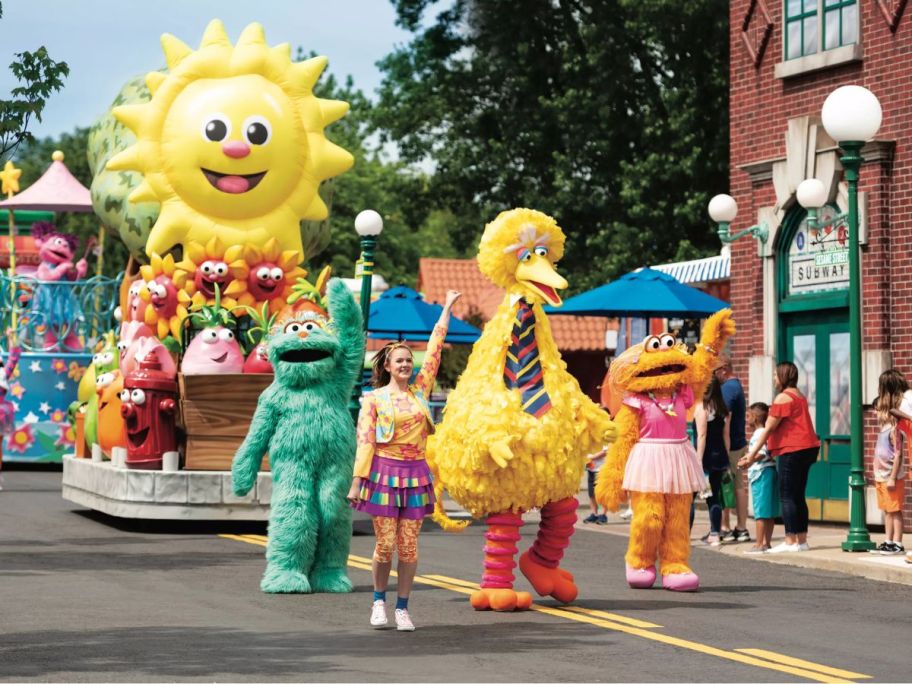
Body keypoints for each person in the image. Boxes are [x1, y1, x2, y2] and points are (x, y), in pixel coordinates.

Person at [347, 290, 460, 631]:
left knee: (408, 546)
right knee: (385, 545)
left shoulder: (421, 392)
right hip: (383, 472)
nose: (406, 365)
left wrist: (446, 310)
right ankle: (379, 603)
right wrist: (356, 482)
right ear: (386, 366)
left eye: (409, 360)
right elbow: (365, 442)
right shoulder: (374, 399)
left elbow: (436, 351)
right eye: (399, 361)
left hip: (415, 475)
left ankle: (403, 608)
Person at [738, 362, 820, 553]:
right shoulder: (799, 396)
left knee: (787, 496)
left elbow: (768, 429)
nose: (774, 378)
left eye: (776, 375)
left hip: (792, 450)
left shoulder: (783, 398)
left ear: (783, 376)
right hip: (807, 448)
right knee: (798, 496)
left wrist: (750, 456)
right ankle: (802, 540)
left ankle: (790, 540)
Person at [871, 370, 910, 555]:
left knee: (895, 510)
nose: (876, 413)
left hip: (891, 477)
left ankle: (897, 542)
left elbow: (898, 455)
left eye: (878, 410)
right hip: (882, 477)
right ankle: (888, 540)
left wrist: (893, 476)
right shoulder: (884, 428)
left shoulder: (895, 429)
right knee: (887, 510)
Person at [716, 356, 750, 542]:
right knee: (736, 486)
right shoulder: (736, 386)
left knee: (730, 486)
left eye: (715, 371)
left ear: (723, 369)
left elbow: (725, 422)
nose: (714, 376)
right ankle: (739, 527)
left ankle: (727, 527)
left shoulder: (728, 388)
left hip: (731, 446)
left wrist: (724, 448)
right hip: (738, 444)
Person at [695, 376, 730, 547]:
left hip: (705, 458)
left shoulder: (702, 408)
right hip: (720, 457)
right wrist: (727, 459)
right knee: (714, 496)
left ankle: (683, 535)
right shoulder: (723, 410)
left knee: (689, 498)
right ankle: (715, 533)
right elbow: (726, 437)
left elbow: (701, 436)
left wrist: (698, 460)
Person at [744, 402, 777, 553]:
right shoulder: (764, 432)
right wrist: (747, 458)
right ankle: (766, 543)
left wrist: (749, 460)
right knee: (768, 511)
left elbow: (761, 453)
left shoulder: (759, 433)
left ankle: (758, 544)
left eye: (749, 415)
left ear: (756, 417)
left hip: (761, 474)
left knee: (760, 512)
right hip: (767, 472)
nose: (747, 419)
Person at [0, 329, 21, 492]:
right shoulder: (3, 373)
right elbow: (13, 357)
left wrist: (11, 337)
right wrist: (11, 337)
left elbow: (13, 357)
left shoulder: (2, 373)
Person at [583, 446, 608, 524]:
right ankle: (594, 514)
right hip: (591, 469)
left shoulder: (605, 436)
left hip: (601, 470)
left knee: (601, 495)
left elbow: (605, 451)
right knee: (591, 494)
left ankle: (603, 515)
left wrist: (592, 457)